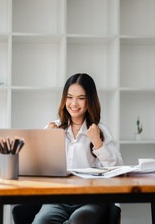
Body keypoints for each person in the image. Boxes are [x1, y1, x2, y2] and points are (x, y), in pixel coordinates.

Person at [12, 73, 123, 224]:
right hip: (58, 199)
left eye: (81, 98)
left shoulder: (100, 130)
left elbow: (117, 169)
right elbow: (37, 169)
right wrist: (47, 141)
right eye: (69, 97)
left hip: (90, 199)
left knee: (79, 220)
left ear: (90, 100)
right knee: (41, 221)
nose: (74, 103)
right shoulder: (53, 127)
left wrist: (98, 143)